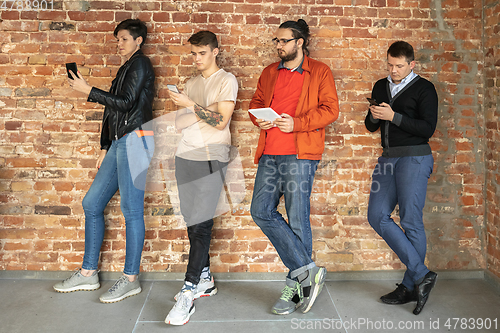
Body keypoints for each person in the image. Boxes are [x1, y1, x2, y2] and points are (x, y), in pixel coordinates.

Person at [53, 19, 155, 303]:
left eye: (124, 39)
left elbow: (125, 103)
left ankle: (130, 278)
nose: (119, 44)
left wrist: (89, 92)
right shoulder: (125, 68)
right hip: (120, 142)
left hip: (138, 139)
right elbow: (113, 111)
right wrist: (104, 146)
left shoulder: (141, 64)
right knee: (92, 203)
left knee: (131, 209)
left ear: (139, 41)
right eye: (118, 39)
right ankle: (88, 274)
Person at [248, 19, 339, 315]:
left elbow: (331, 110)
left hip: (300, 154)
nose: (278, 46)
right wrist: (257, 119)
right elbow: (257, 101)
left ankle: (294, 287)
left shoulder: (320, 71)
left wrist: (296, 123)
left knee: (297, 218)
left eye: (283, 41)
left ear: (300, 42)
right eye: (277, 41)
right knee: (261, 211)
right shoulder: (268, 73)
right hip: (270, 153)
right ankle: (307, 271)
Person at [164, 30, 238, 325]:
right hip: (185, 155)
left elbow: (221, 123)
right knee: (192, 219)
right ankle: (205, 277)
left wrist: (190, 106)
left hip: (212, 155)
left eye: (202, 53)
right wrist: (195, 109)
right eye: (193, 53)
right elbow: (179, 123)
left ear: (215, 52)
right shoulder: (190, 83)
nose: (196, 59)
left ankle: (189, 288)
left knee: (203, 221)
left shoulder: (226, 80)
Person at [365, 41, 438, 315]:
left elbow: (427, 128)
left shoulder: (425, 88)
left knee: (410, 221)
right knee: (376, 215)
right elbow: (371, 125)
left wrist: (393, 116)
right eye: (390, 65)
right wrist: (375, 116)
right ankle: (422, 275)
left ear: (411, 64)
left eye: (399, 66)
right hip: (388, 157)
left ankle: (410, 286)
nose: (393, 71)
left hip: (415, 158)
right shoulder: (380, 85)